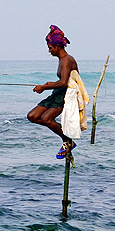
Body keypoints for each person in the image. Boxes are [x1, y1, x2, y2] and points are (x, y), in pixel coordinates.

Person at [28, 25, 81, 159]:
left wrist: (44, 87)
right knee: (32, 116)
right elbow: (62, 81)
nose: (49, 51)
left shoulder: (67, 60)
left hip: (65, 95)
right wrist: (50, 84)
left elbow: (64, 82)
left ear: (57, 46)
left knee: (46, 119)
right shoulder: (62, 60)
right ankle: (64, 135)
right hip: (57, 93)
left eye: (50, 48)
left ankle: (67, 141)